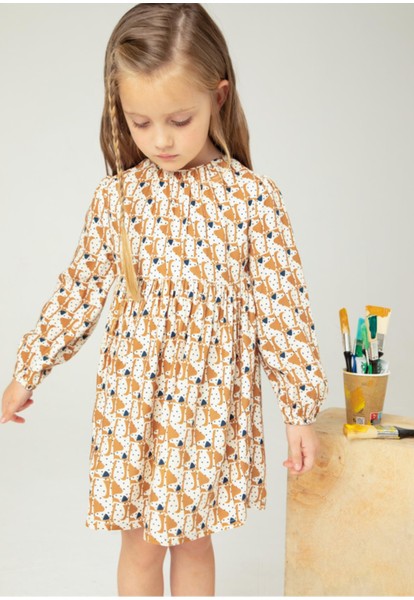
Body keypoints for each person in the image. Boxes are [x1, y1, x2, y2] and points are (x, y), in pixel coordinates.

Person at [1, 3, 329, 596]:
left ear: (218, 97)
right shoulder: (118, 199)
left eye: (179, 119)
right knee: (140, 542)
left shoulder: (252, 201)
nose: (160, 140)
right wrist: (30, 369)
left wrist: (299, 410)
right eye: (140, 122)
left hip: (208, 403)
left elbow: (282, 312)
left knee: (195, 540)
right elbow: (80, 290)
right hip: (132, 402)